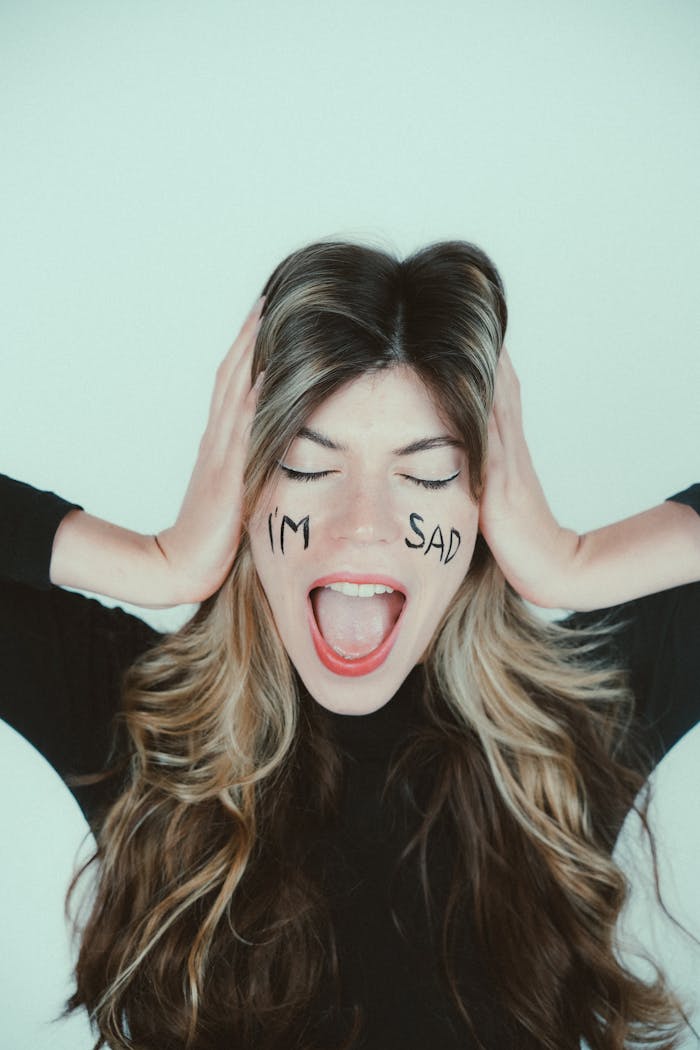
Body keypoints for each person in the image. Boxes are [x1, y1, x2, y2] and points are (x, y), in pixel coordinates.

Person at [1, 239, 699, 1050]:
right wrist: (156, 562)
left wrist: (572, 564)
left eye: (429, 474)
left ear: (485, 506)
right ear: (241, 489)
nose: (362, 524)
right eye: (303, 465)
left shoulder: (581, 717)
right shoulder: (134, 715)